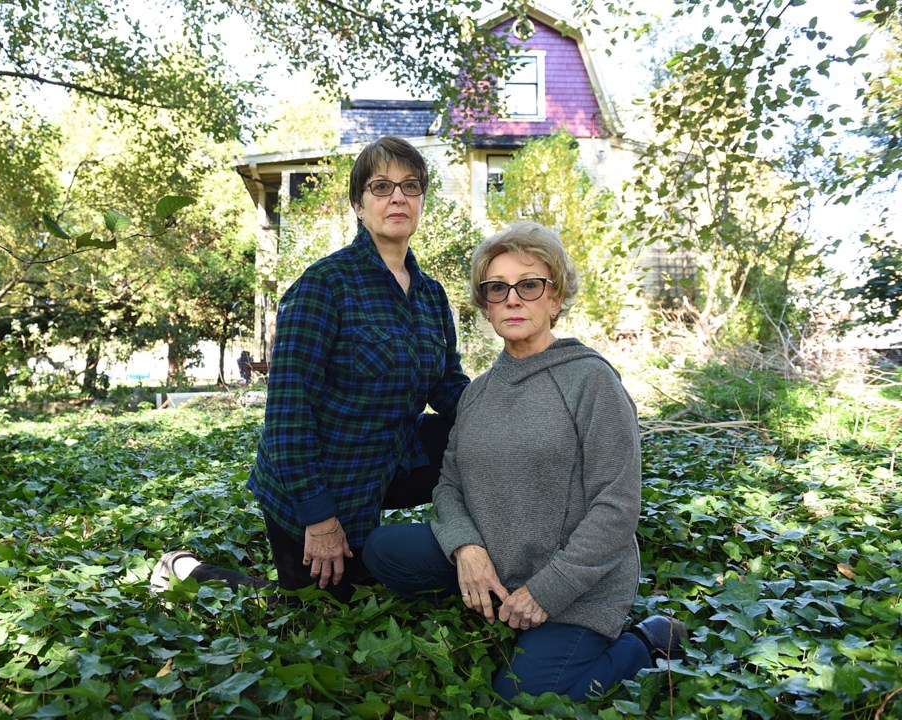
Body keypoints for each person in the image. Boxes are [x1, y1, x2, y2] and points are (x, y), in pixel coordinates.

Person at [362, 221, 687, 701]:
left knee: (523, 696)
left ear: (555, 299)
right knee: (382, 551)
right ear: (486, 305)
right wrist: (466, 550)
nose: (512, 299)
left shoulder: (590, 381)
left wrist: (546, 592)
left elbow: (617, 506)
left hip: (577, 583)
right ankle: (493, 598)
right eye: (497, 288)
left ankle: (648, 639)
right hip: (496, 558)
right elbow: (448, 486)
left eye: (529, 285)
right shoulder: (477, 394)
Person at [150, 136, 469, 603]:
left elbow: (448, 386)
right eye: (381, 187)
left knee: (474, 435)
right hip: (316, 482)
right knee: (316, 611)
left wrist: (516, 410)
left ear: (422, 198)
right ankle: (188, 571)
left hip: (385, 464)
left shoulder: (430, 296)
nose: (397, 197)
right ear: (359, 205)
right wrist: (319, 520)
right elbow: (286, 418)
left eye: (410, 185)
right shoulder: (324, 287)